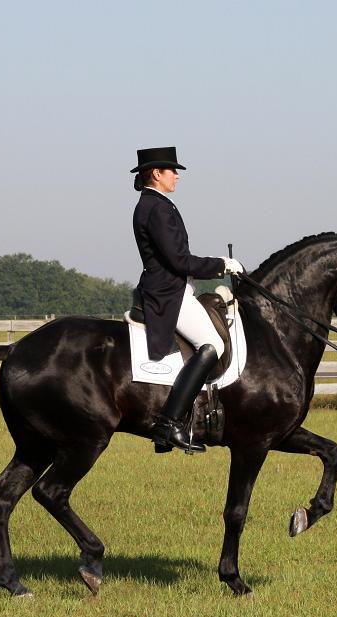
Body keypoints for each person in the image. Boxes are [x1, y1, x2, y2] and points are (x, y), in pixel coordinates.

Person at [131, 146, 243, 454]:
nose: (177, 176)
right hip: (168, 292)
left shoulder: (156, 205)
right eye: (172, 171)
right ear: (157, 174)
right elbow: (180, 262)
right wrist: (221, 265)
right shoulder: (157, 208)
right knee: (213, 345)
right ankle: (170, 422)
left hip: (172, 288)